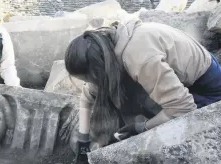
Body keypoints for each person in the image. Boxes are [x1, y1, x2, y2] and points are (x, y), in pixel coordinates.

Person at [64, 18, 221, 163]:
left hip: (207, 88)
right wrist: (83, 141)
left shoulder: (140, 58)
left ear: (97, 69)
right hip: (177, 81)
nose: (88, 83)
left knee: (170, 134)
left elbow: (183, 108)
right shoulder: (103, 49)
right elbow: (87, 98)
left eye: (88, 79)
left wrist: (141, 128)